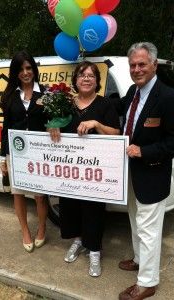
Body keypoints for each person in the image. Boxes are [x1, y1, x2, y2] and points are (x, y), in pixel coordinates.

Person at [117, 42, 174, 300]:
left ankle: (147, 283)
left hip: (152, 173)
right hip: (130, 173)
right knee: (135, 220)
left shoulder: (169, 97)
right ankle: (139, 259)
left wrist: (144, 152)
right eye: (133, 65)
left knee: (149, 229)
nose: (136, 69)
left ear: (153, 65)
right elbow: (122, 118)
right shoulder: (131, 92)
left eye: (142, 64)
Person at [50, 61, 120, 277]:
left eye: (91, 75)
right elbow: (54, 126)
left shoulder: (105, 104)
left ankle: (95, 251)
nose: (86, 78)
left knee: (93, 210)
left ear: (97, 81)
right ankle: (78, 241)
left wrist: (96, 125)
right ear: (76, 80)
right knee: (70, 207)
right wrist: (51, 126)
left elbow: (117, 134)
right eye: (82, 75)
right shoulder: (65, 103)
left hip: (95, 173)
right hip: (71, 172)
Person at [0, 50, 48, 253]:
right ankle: (26, 231)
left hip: (39, 153)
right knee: (18, 194)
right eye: (20, 69)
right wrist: (3, 158)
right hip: (16, 152)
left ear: (34, 69)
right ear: (15, 72)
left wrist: (54, 124)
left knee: (40, 195)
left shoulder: (46, 93)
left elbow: (53, 120)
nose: (25, 72)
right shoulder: (10, 95)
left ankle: (42, 229)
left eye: (28, 68)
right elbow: (7, 127)